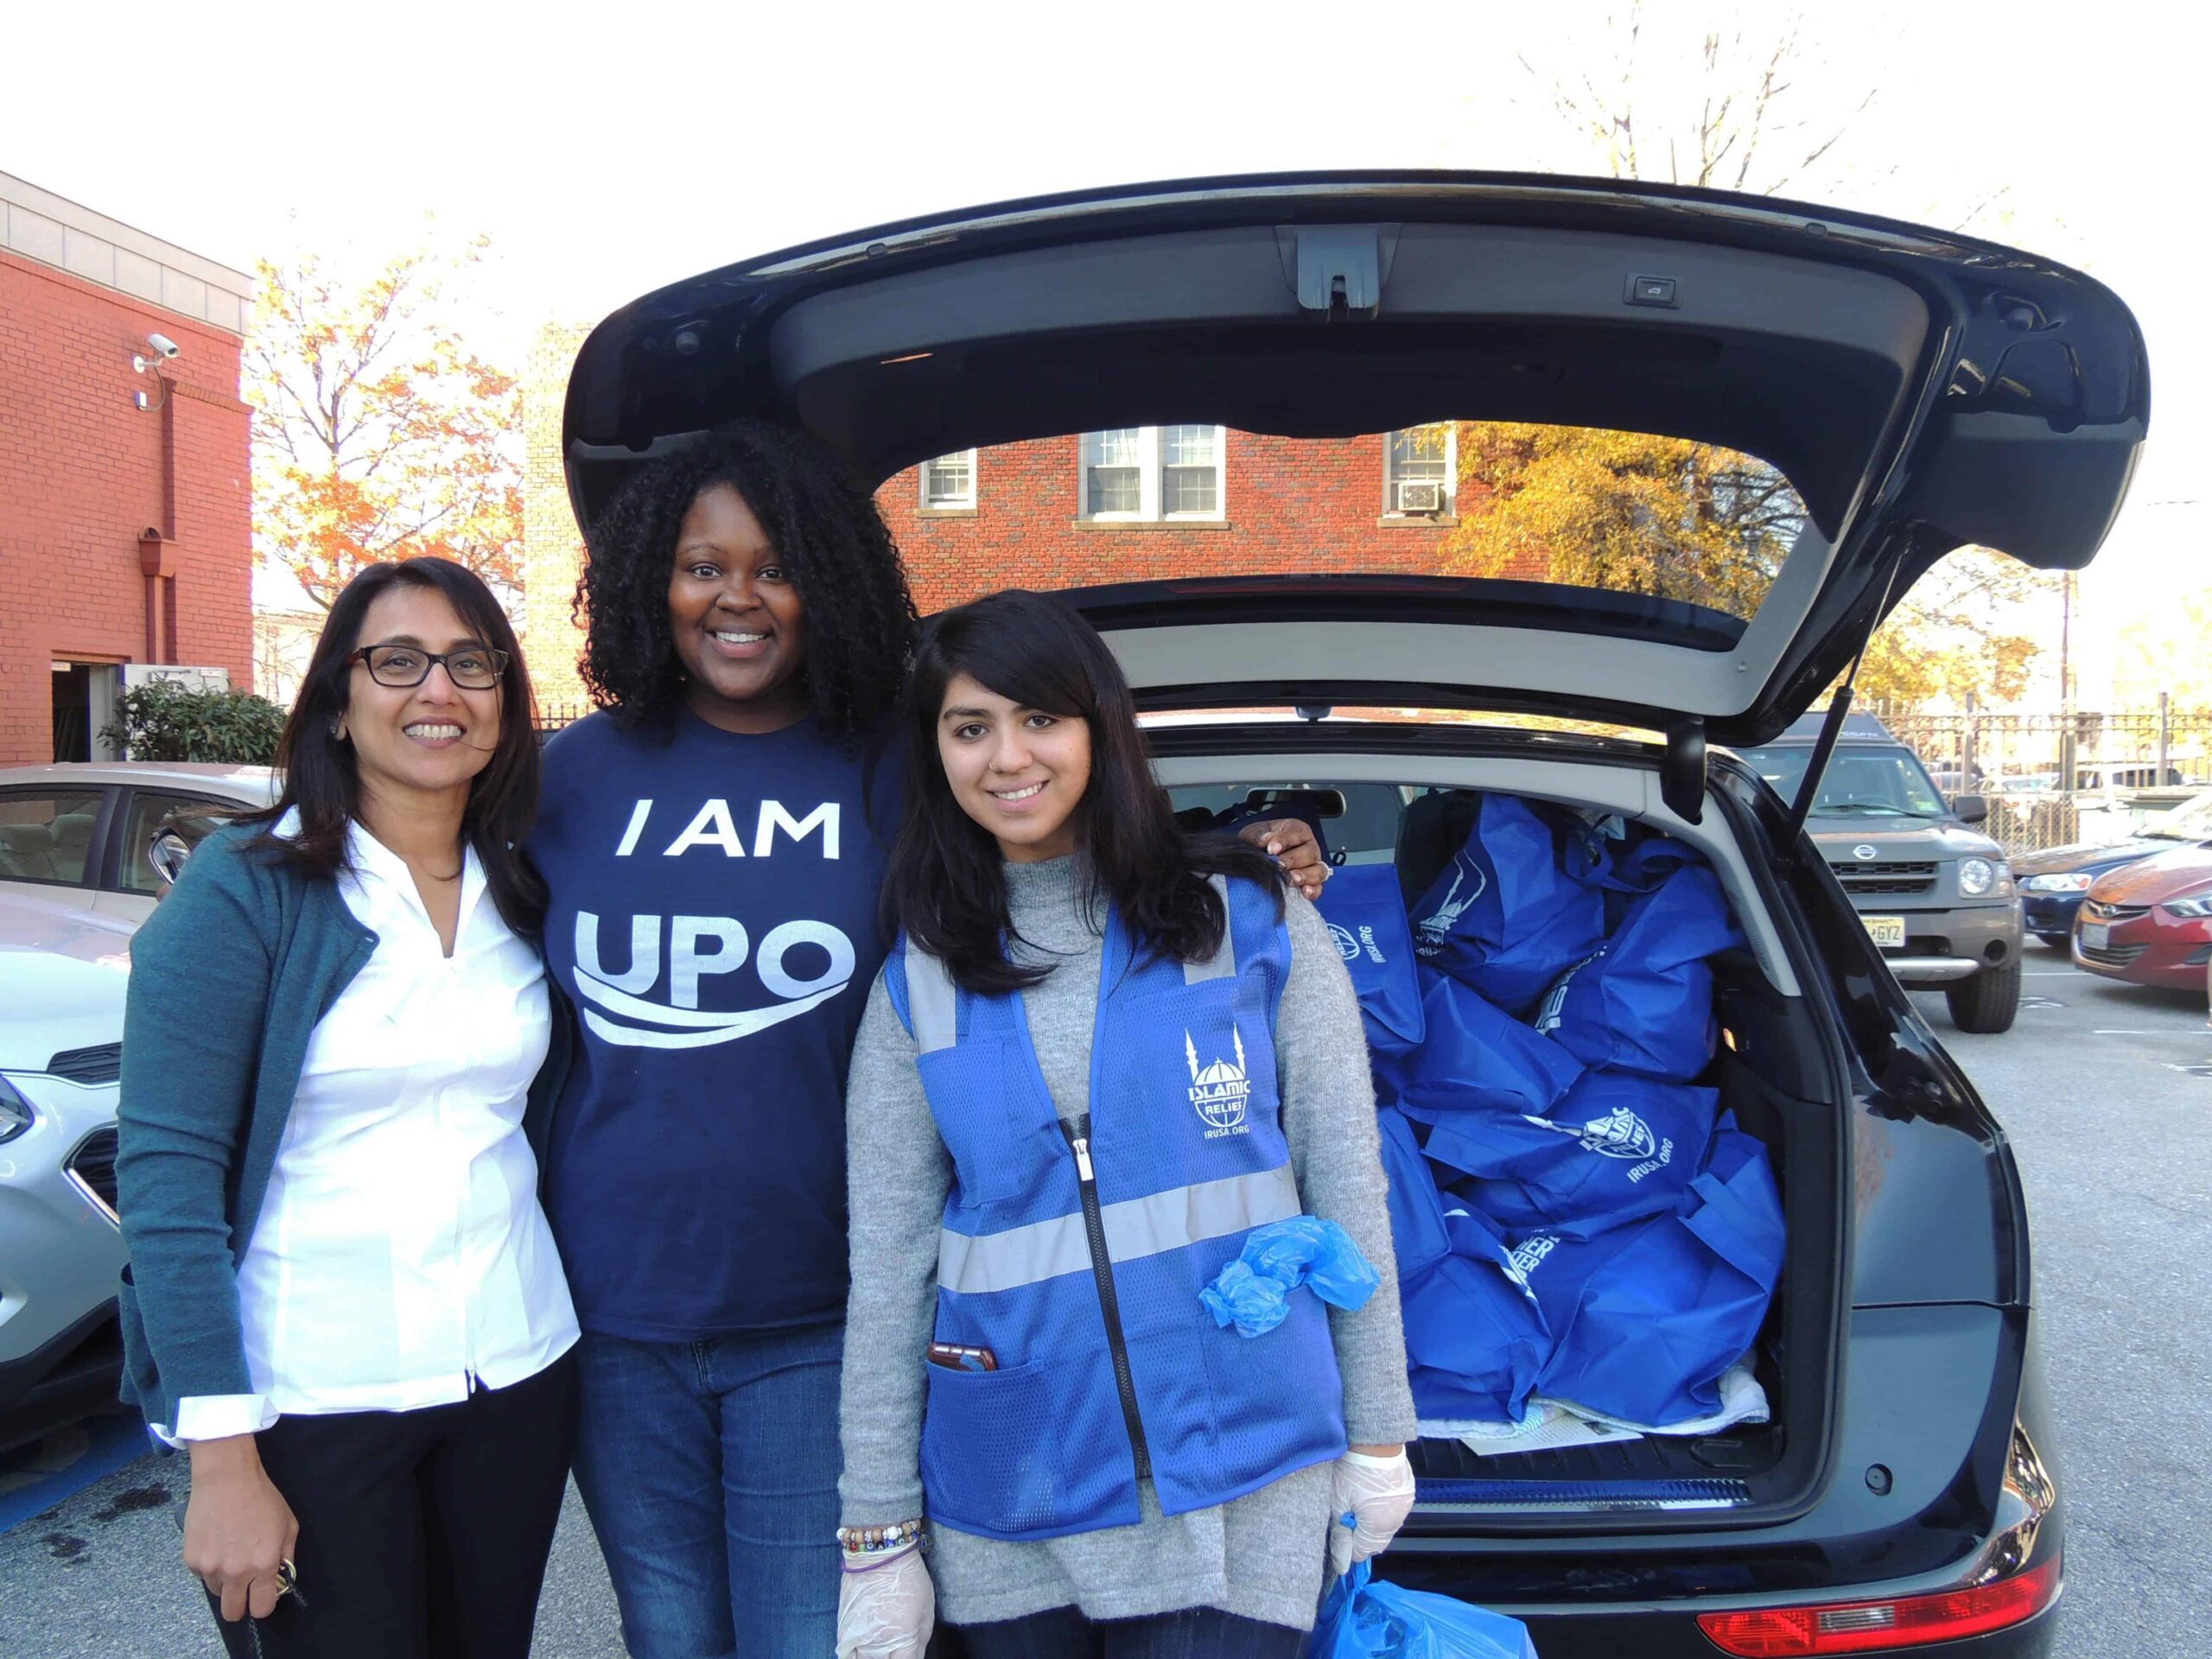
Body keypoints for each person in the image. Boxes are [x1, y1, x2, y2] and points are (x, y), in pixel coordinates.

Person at [532, 426, 1334, 1659]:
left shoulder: (893, 763)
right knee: (670, 1634)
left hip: (820, 1305)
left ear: (830, 582)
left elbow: (1063, 844)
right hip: (616, 1305)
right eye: (702, 565)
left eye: (776, 564)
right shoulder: (572, 777)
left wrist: (1245, 847)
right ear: (653, 581)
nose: (736, 597)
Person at [836, 588, 1419, 1659]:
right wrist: (874, 1531)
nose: (1008, 758)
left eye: (1039, 719)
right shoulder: (916, 988)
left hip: (1243, 1471)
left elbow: (1348, 1185)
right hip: (1013, 1487)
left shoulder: (1250, 921)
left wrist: (1380, 1431)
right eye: (970, 728)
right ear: (936, 755)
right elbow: (890, 1276)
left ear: (1100, 728)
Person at [115, 557, 579, 1659]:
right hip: (309, 1397)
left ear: (508, 703)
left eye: (473, 664)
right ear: (335, 699)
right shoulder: (247, 885)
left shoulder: (532, 886)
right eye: (398, 661)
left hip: (515, 1375)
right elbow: (166, 1179)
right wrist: (220, 1457)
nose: (440, 691)